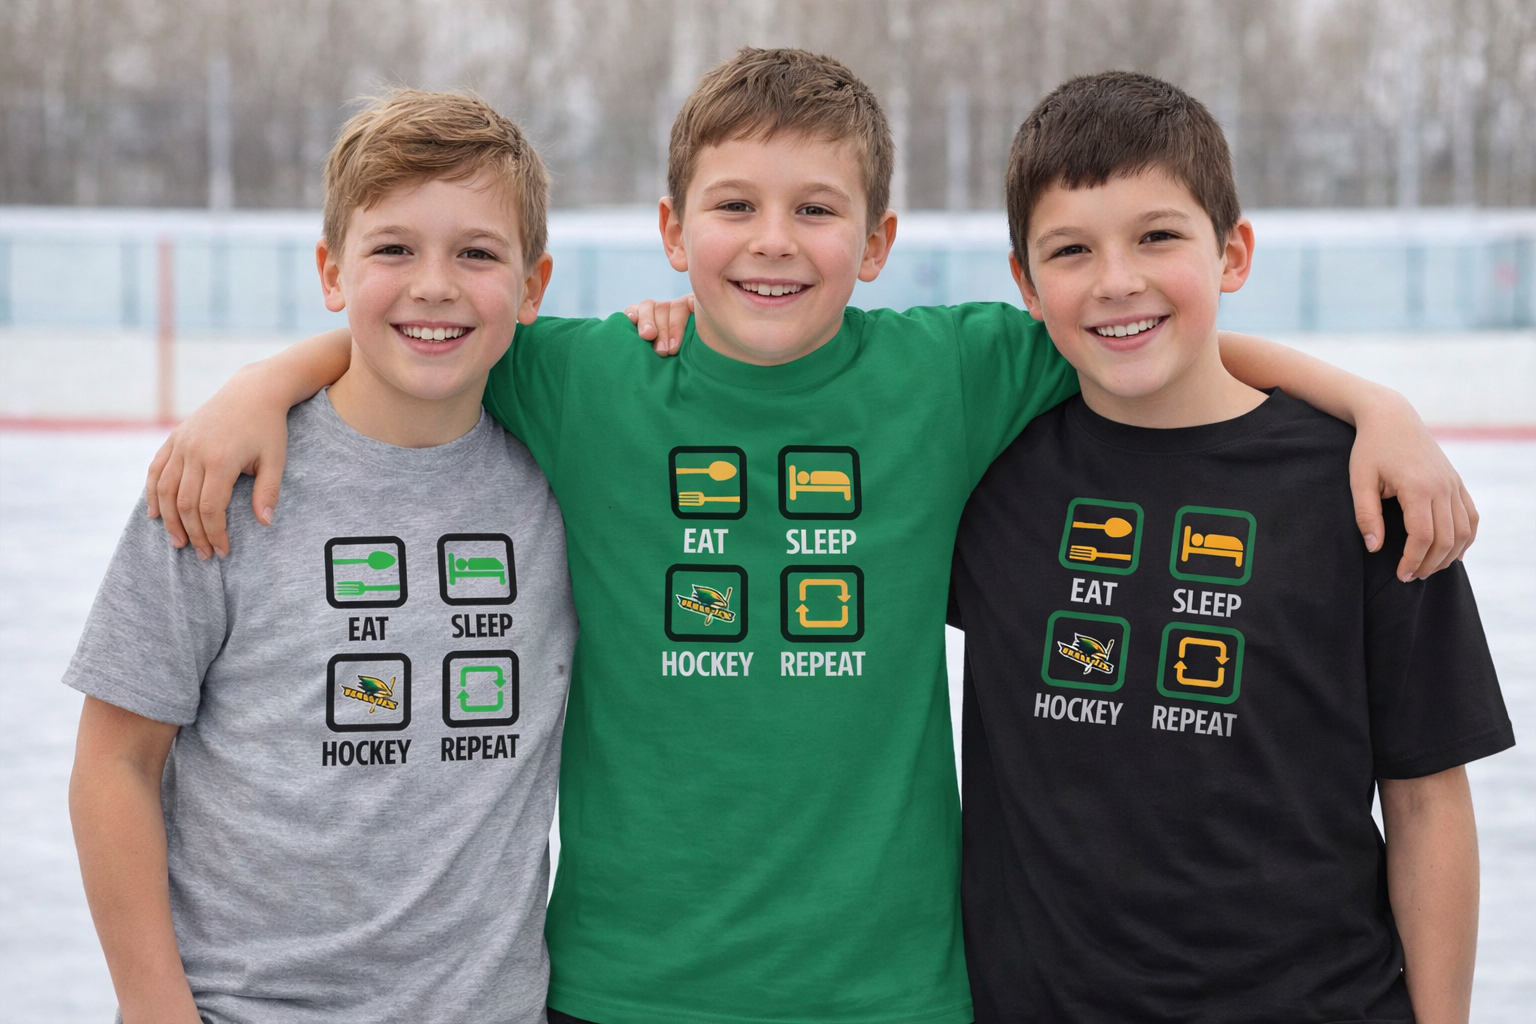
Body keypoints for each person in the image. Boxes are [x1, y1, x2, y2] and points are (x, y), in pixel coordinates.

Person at [142, 50, 1477, 1024]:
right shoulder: (590, 382)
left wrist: (1371, 402)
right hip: (628, 985)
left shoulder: (949, 376)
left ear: (880, 241)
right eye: (733, 207)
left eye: (816, 211)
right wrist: (260, 386)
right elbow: (433, 323)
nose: (771, 243)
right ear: (672, 233)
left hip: (896, 986)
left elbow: (1132, 322)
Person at [948, 71, 1514, 1024]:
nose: (1117, 279)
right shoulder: (988, 481)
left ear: (1233, 252)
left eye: (1158, 236)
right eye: (1072, 250)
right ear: (1025, 283)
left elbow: (1425, 802)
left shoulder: (1361, 489)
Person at [65, 89, 577, 1024]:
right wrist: (153, 1009)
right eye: (393, 249)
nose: (435, 284)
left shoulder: (565, 479)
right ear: (331, 272)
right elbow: (115, 763)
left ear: (534, 285)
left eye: (477, 252)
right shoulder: (216, 483)